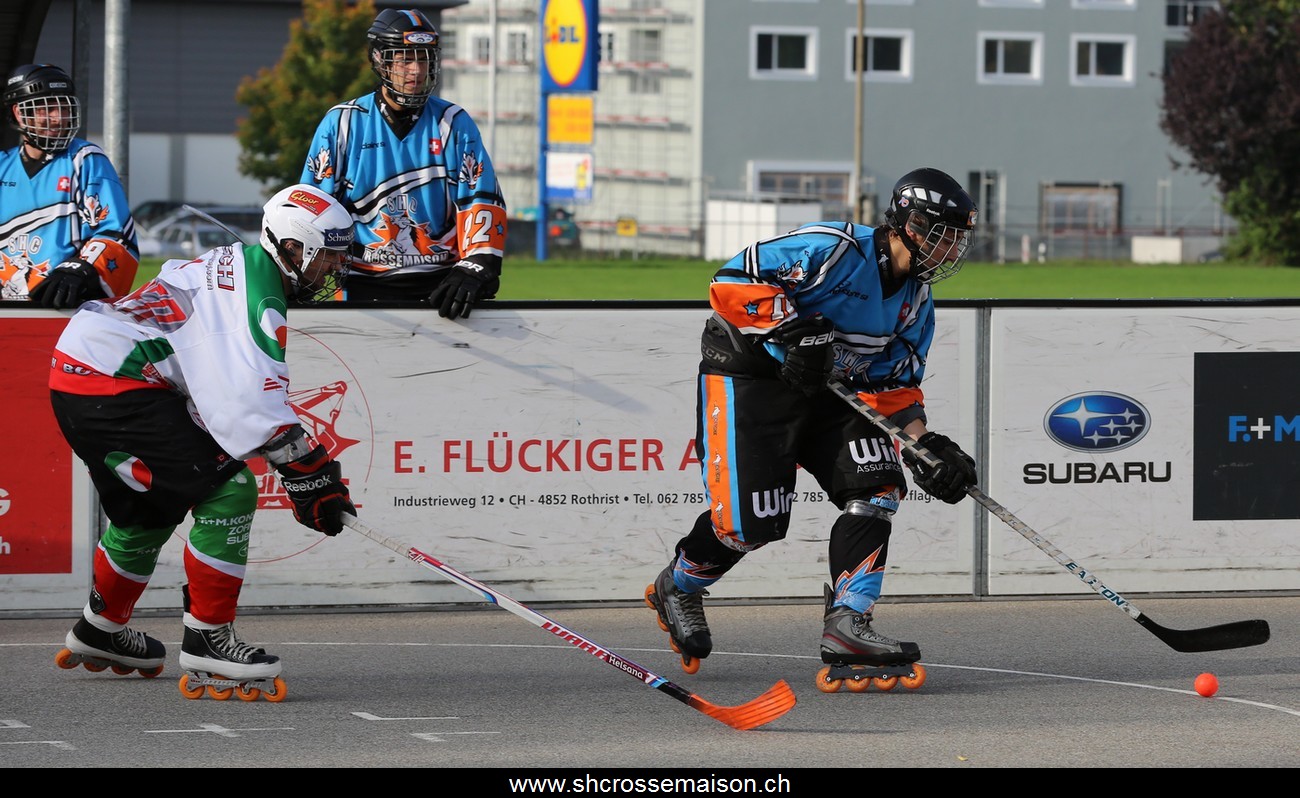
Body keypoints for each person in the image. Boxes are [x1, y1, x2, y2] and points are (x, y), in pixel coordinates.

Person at [645, 167, 980, 677]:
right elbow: (730, 281)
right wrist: (791, 329)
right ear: (911, 225)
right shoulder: (833, 248)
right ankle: (679, 584)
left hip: (831, 392)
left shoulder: (916, 302)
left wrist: (925, 445)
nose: (952, 249)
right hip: (751, 377)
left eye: (959, 239)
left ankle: (849, 622)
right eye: (944, 235)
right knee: (748, 527)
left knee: (878, 486)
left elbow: (893, 387)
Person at [49, 184, 357, 699]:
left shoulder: (240, 262)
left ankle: (101, 628)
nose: (336, 269)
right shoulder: (260, 300)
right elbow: (255, 407)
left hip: (84, 371)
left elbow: (220, 386)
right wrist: (314, 478)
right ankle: (208, 639)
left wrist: (309, 475)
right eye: (328, 255)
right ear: (291, 247)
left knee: (148, 510)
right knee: (229, 491)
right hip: (112, 381)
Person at [300, 8, 507, 319]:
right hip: (360, 283)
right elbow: (313, 207)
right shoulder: (342, 123)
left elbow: (480, 198)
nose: (417, 70)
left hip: (442, 285)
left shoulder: (454, 123)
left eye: (424, 59)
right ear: (380, 61)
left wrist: (477, 266)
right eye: (405, 59)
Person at [0, 63, 138, 308]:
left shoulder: (85, 159)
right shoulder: (3, 165)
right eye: (46, 108)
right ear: (20, 113)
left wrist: (81, 270)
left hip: (63, 308)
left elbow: (116, 233)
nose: (58, 118)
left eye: (64, 108)